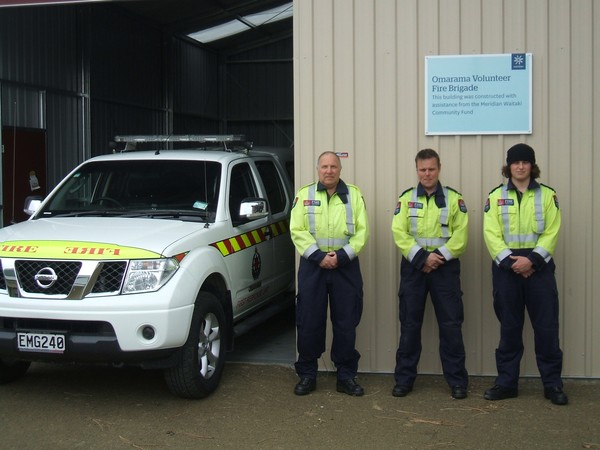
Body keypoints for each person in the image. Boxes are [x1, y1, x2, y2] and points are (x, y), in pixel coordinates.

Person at [483, 143, 567, 405]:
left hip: (538, 269)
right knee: (509, 328)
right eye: (515, 162)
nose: (520, 166)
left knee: (546, 329)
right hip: (507, 271)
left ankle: (552, 385)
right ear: (508, 167)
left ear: (532, 166)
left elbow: (552, 231)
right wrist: (511, 262)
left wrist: (531, 261)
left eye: (525, 162)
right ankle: (507, 383)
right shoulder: (495, 197)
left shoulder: (547, 196)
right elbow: (491, 233)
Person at [289, 151, 369, 396]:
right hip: (314, 266)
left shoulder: (353, 195)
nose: (329, 171)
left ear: (340, 169)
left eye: (333, 166)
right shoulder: (305, 195)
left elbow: (362, 232)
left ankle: (345, 376)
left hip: (345, 266)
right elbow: (297, 229)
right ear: (317, 169)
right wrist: (319, 256)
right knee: (309, 321)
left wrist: (341, 257)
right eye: (324, 166)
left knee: (346, 322)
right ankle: (307, 374)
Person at [391, 148, 469, 399]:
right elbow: (399, 233)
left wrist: (438, 257)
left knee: (451, 326)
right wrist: (422, 258)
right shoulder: (405, 200)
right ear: (417, 170)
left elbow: (461, 235)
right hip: (414, 269)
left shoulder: (454, 200)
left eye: (431, 169)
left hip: (444, 270)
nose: (427, 174)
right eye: (422, 169)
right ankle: (404, 380)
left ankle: (457, 381)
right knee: (410, 326)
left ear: (439, 169)